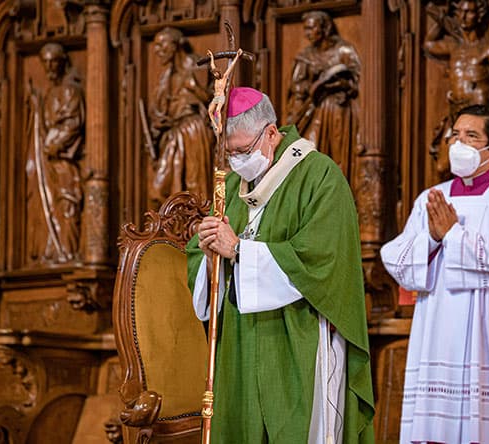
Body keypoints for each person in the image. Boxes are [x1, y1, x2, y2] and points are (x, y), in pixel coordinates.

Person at [186, 87, 374, 443]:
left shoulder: (319, 176)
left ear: (271, 133)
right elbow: (202, 256)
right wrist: (210, 250)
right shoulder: (232, 187)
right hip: (241, 342)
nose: (237, 161)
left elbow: (321, 258)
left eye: (243, 150)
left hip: (297, 336)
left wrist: (239, 252)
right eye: (231, 154)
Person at [380, 105, 489, 443]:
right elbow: (397, 258)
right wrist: (433, 237)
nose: (458, 142)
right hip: (439, 331)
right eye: (455, 134)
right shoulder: (431, 198)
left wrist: (453, 234)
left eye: (471, 136)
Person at [423, 0, 489, 179]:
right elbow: (429, 44)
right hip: (456, 114)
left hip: (480, 116)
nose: (463, 17)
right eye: (460, 13)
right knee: (443, 166)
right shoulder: (453, 49)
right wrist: (442, 19)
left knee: (481, 166)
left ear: (478, 16)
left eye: (469, 12)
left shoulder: (487, 50)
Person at [26, 43, 84, 264]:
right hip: (47, 163)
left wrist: (52, 143)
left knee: (66, 204)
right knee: (47, 206)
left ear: (62, 63)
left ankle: (67, 251)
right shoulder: (49, 93)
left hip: (62, 161)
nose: (50, 67)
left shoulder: (70, 90)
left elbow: (72, 123)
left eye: (54, 61)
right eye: (46, 62)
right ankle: (52, 252)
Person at [286, 10, 361, 177]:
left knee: (337, 153)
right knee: (309, 151)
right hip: (313, 109)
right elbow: (296, 86)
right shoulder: (305, 56)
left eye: (311, 28)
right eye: (306, 29)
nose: (308, 34)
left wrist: (342, 84)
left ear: (325, 28)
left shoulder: (344, 51)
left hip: (338, 109)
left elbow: (358, 80)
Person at [148, 27, 214, 207]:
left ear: (176, 45)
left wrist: (194, 88)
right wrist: (159, 121)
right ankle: (176, 229)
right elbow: (159, 107)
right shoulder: (166, 77)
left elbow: (216, 100)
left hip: (193, 129)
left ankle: (194, 228)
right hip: (173, 133)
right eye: (155, 45)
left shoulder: (197, 65)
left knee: (194, 187)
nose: (157, 50)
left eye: (162, 44)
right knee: (160, 188)